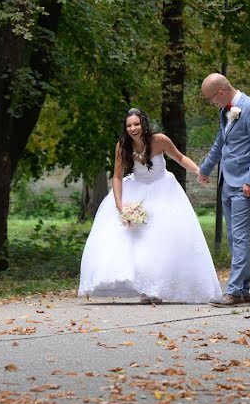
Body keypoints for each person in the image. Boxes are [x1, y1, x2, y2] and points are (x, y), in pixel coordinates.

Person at [78, 108, 222, 304]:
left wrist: (199, 171)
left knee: (163, 239)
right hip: (137, 190)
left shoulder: (160, 140)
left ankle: (159, 288)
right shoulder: (122, 146)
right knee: (139, 240)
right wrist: (121, 207)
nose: (133, 128)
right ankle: (146, 288)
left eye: (136, 124)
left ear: (143, 124)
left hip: (164, 190)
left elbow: (179, 158)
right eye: (129, 125)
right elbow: (117, 176)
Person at [198, 73, 250, 307]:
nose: (212, 103)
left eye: (211, 99)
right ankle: (243, 292)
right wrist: (205, 168)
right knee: (234, 237)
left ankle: (234, 291)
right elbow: (221, 142)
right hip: (227, 182)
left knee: (239, 237)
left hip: (244, 185)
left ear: (220, 92)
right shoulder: (227, 110)